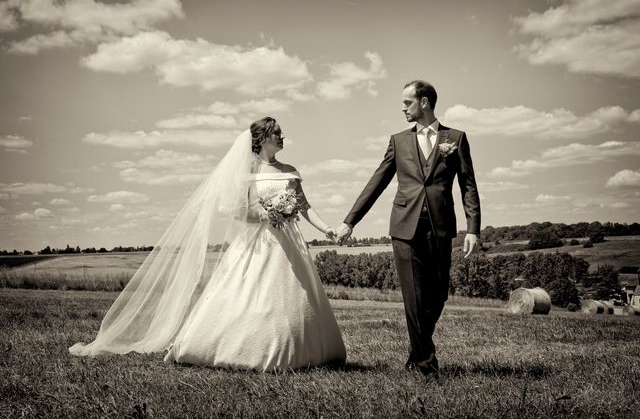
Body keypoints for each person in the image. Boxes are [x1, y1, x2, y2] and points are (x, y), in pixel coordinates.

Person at [70, 117, 346, 372]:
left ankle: (304, 351)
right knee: (252, 296)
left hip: (289, 242)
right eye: (277, 133)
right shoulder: (247, 171)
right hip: (258, 243)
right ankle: (245, 350)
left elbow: (304, 206)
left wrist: (328, 229)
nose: (283, 136)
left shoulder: (290, 171)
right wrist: (263, 213)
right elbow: (237, 211)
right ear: (262, 139)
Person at [336, 80, 480, 379]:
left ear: (424, 102)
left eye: (407, 102)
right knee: (414, 297)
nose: (403, 108)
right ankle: (427, 366)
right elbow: (377, 181)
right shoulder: (398, 141)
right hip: (404, 226)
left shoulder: (456, 138)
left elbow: (468, 185)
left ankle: (416, 354)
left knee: (438, 295)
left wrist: (473, 229)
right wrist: (350, 220)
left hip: (441, 227)